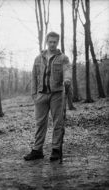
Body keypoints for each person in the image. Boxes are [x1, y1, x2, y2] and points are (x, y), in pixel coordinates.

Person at [24, 32, 72, 162]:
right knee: (40, 123)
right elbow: (34, 77)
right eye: (50, 41)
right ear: (47, 41)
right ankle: (37, 150)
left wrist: (67, 80)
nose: (52, 44)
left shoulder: (63, 58)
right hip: (40, 95)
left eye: (54, 42)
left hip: (56, 95)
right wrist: (34, 94)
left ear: (58, 42)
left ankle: (56, 150)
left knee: (58, 122)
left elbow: (67, 70)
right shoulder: (38, 58)